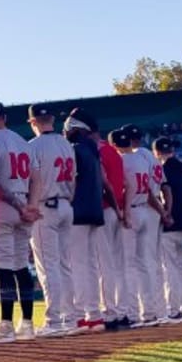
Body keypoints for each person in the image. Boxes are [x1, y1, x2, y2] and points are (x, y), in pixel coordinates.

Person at [0, 101, 40, 341]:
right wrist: (31, 205)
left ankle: (6, 324)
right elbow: (37, 177)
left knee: (2, 266)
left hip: (3, 205)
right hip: (25, 203)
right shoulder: (23, 142)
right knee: (20, 266)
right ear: (4, 117)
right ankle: (27, 323)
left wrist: (17, 204)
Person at [27, 103, 77, 335]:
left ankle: (54, 320)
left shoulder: (33, 146)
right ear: (53, 121)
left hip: (45, 207)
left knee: (48, 266)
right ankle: (70, 316)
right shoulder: (66, 144)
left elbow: (31, 181)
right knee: (65, 265)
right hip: (66, 204)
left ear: (33, 121)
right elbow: (75, 180)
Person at [64, 109, 114, 331]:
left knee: (77, 265)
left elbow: (71, 183)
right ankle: (93, 313)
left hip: (78, 211)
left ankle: (78, 314)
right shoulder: (93, 150)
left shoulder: (75, 150)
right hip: (94, 210)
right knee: (91, 265)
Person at [114, 125, 166, 325]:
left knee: (128, 264)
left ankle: (133, 313)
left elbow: (130, 187)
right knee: (145, 264)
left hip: (133, 210)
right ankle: (150, 311)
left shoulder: (123, 160)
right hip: (146, 209)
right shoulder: (142, 159)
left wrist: (125, 211)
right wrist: (162, 211)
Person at [97, 120, 133, 330]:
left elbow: (106, 184)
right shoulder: (114, 154)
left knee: (105, 265)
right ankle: (123, 311)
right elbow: (129, 185)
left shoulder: (100, 151)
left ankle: (110, 312)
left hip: (105, 208)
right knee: (120, 265)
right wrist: (123, 211)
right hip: (118, 211)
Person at [153, 138, 182, 322]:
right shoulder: (181, 168)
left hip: (169, 222)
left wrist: (166, 214)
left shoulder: (163, 169)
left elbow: (165, 192)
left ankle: (173, 307)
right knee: (181, 266)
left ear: (157, 152)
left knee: (169, 267)